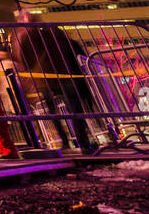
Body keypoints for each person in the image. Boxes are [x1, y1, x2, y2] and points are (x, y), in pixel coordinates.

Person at [10, 10, 97, 153]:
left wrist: (31, 74)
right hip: (62, 75)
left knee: (55, 110)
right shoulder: (50, 33)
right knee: (73, 108)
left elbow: (23, 59)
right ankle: (82, 140)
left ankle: (67, 141)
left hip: (45, 78)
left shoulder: (24, 37)